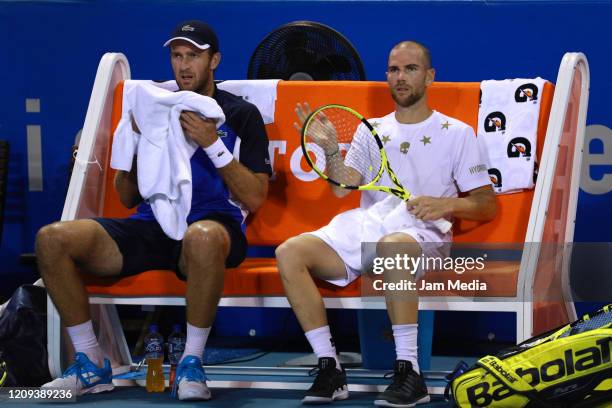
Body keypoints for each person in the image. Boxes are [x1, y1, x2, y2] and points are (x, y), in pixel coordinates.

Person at [38, 20, 271, 400]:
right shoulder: (152, 106)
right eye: (177, 56)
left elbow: (256, 197)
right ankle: (91, 362)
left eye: (193, 56)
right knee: (52, 239)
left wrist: (213, 144)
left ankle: (191, 364)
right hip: (153, 227)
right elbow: (128, 197)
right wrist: (134, 140)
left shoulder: (240, 114)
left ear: (214, 60)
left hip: (214, 227)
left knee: (203, 236)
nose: (183, 66)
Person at [276, 41, 496, 406]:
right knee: (290, 253)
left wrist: (445, 204)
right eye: (393, 70)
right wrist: (332, 149)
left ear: (429, 76)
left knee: (393, 245)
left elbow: (485, 205)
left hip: (425, 236)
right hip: (368, 227)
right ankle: (330, 368)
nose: (400, 77)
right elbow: (340, 188)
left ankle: (410, 373)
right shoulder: (371, 129)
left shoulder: (456, 133)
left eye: (410, 69)